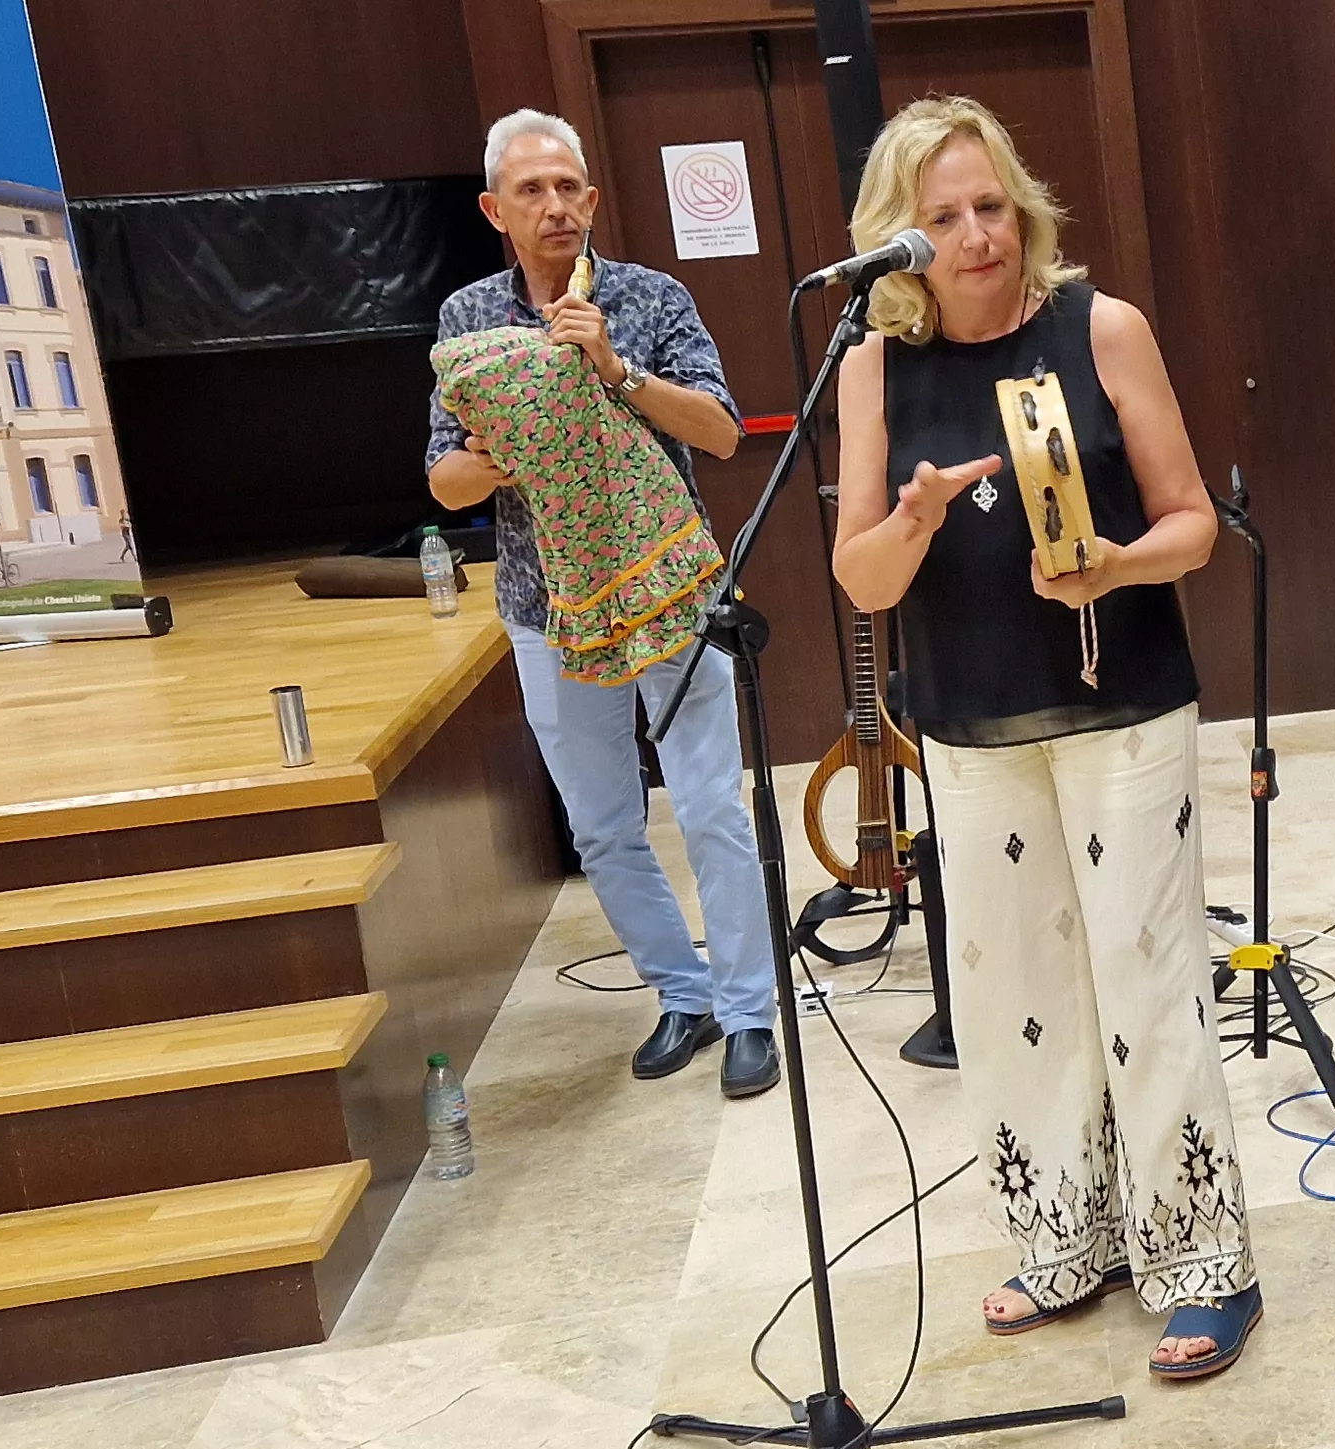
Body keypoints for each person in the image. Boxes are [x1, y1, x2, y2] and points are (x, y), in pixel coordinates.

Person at [826, 96, 1265, 1381]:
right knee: (1017, 994)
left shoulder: (1099, 327)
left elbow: (1193, 521)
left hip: (1123, 703)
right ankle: (1065, 1236)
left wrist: (1119, 563)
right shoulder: (872, 367)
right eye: (943, 218)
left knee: (1144, 974)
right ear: (896, 242)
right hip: (968, 721)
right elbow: (861, 582)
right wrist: (911, 516)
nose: (977, 236)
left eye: (991, 206)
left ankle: (1201, 1259)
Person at [425, 109, 781, 1099]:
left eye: (568, 187)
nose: (555, 207)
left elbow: (718, 432)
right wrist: (510, 440)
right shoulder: (467, 322)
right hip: (546, 607)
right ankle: (685, 994)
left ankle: (751, 1010)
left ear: (592, 198)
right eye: (532, 191)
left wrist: (612, 371)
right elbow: (442, 480)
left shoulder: (651, 297)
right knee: (602, 825)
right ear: (497, 208)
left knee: (712, 809)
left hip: (670, 594)